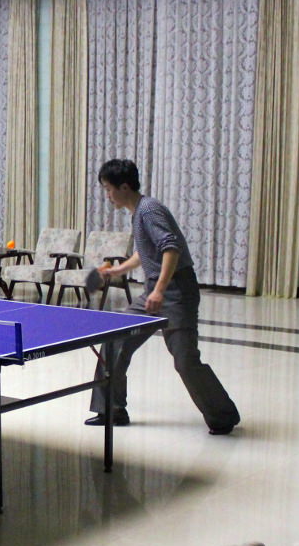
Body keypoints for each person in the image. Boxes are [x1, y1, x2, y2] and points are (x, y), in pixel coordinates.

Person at [84, 158, 239, 435]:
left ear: (124, 186)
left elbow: (171, 248)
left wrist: (158, 290)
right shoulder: (138, 212)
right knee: (114, 339)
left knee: (185, 360)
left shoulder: (149, 209)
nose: (107, 195)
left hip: (176, 291)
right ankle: (112, 411)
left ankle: (223, 416)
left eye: (109, 189)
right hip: (156, 289)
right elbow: (146, 253)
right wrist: (118, 270)